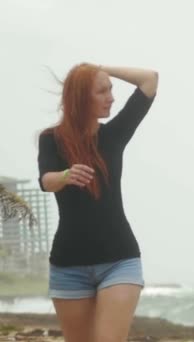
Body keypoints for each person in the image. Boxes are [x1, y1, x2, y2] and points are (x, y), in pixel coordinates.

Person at [37, 63, 158, 342]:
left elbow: (150, 80)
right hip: (68, 266)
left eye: (111, 89)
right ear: (80, 98)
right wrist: (66, 175)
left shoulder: (114, 135)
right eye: (102, 91)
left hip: (120, 261)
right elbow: (46, 180)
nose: (111, 97)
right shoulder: (51, 140)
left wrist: (99, 68)